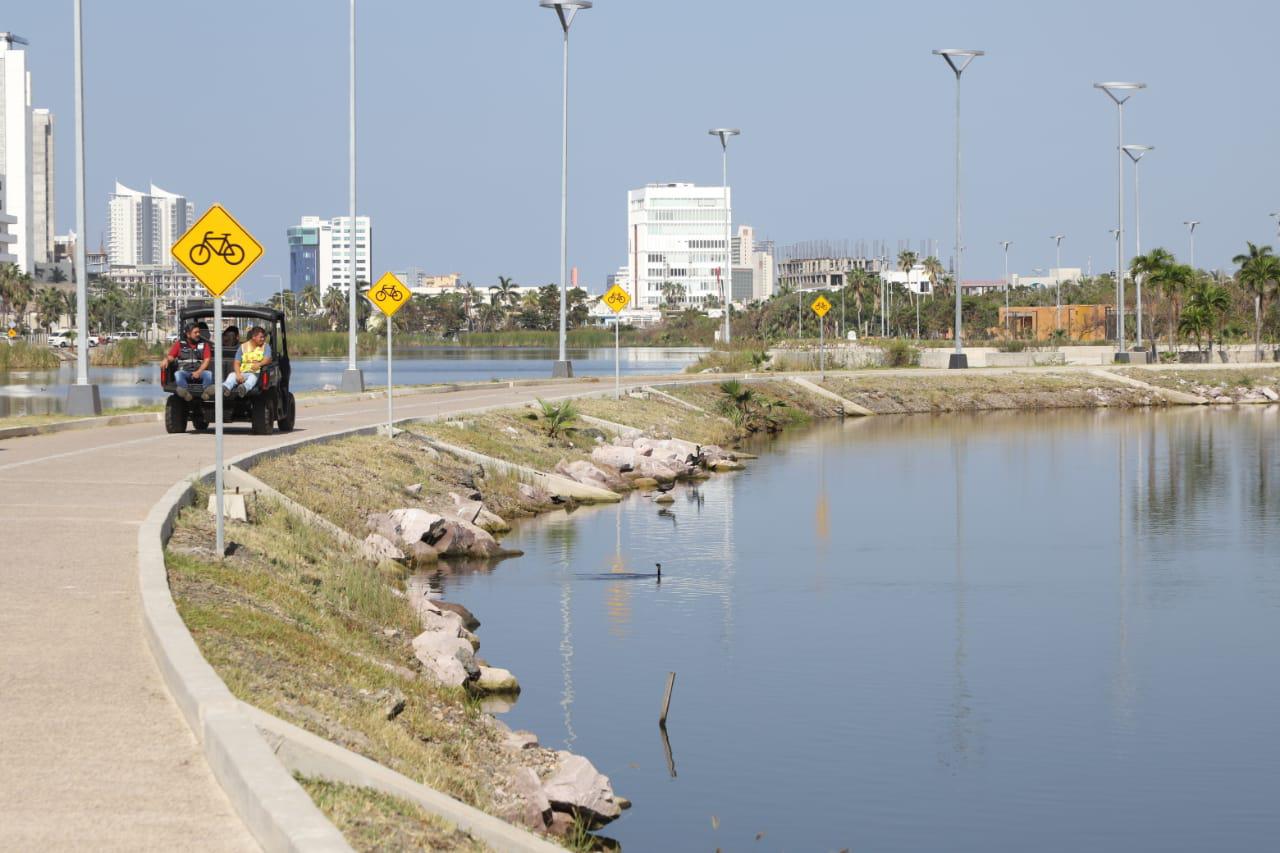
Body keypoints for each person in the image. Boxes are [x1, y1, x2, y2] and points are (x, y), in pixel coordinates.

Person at [161, 322, 213, 401]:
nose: (198, 334)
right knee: (178, 374)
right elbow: (171, 356)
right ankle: (185, 393)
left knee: (208, 374)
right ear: (188, 334)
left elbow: (207, 360)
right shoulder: (179, 344)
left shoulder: (204, 345)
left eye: (199, 332)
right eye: (195, 332)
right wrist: (166, 359)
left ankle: (206, 393)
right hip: (185, 372)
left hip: (200, 372)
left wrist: (199, 372)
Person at [223, 325, 272, 397]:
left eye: (264, 337)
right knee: (232, 375)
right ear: (254, 337)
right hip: (242, 372)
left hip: (254, 373)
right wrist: (238, 374)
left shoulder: (266, 346)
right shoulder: (243, 347)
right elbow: (237, 362)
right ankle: (225, 388)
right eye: (261, 337)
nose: (263, 339)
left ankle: (244, 388)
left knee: (252, 378)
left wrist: (259, 364)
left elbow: (268, 359)